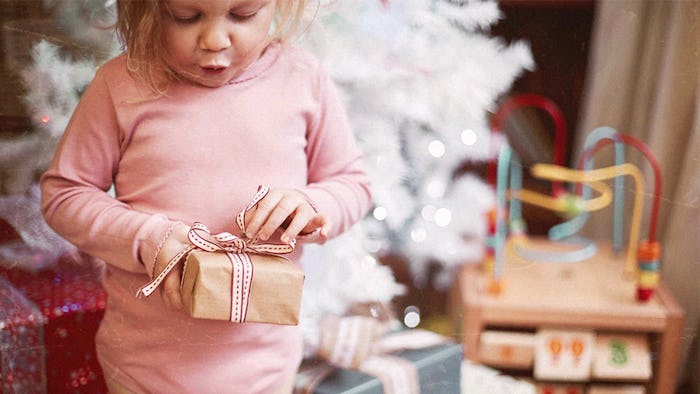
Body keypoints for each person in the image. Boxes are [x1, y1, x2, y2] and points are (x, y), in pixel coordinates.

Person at [40, 0, 372, 392]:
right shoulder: (121, 84)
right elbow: (64, 194)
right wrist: (146, 237)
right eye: (185, 16)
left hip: (264, 369)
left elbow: (352, 182)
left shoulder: (303, 78)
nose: (214, 40)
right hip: (144, 368)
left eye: (243, 14)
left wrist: (315, 206)